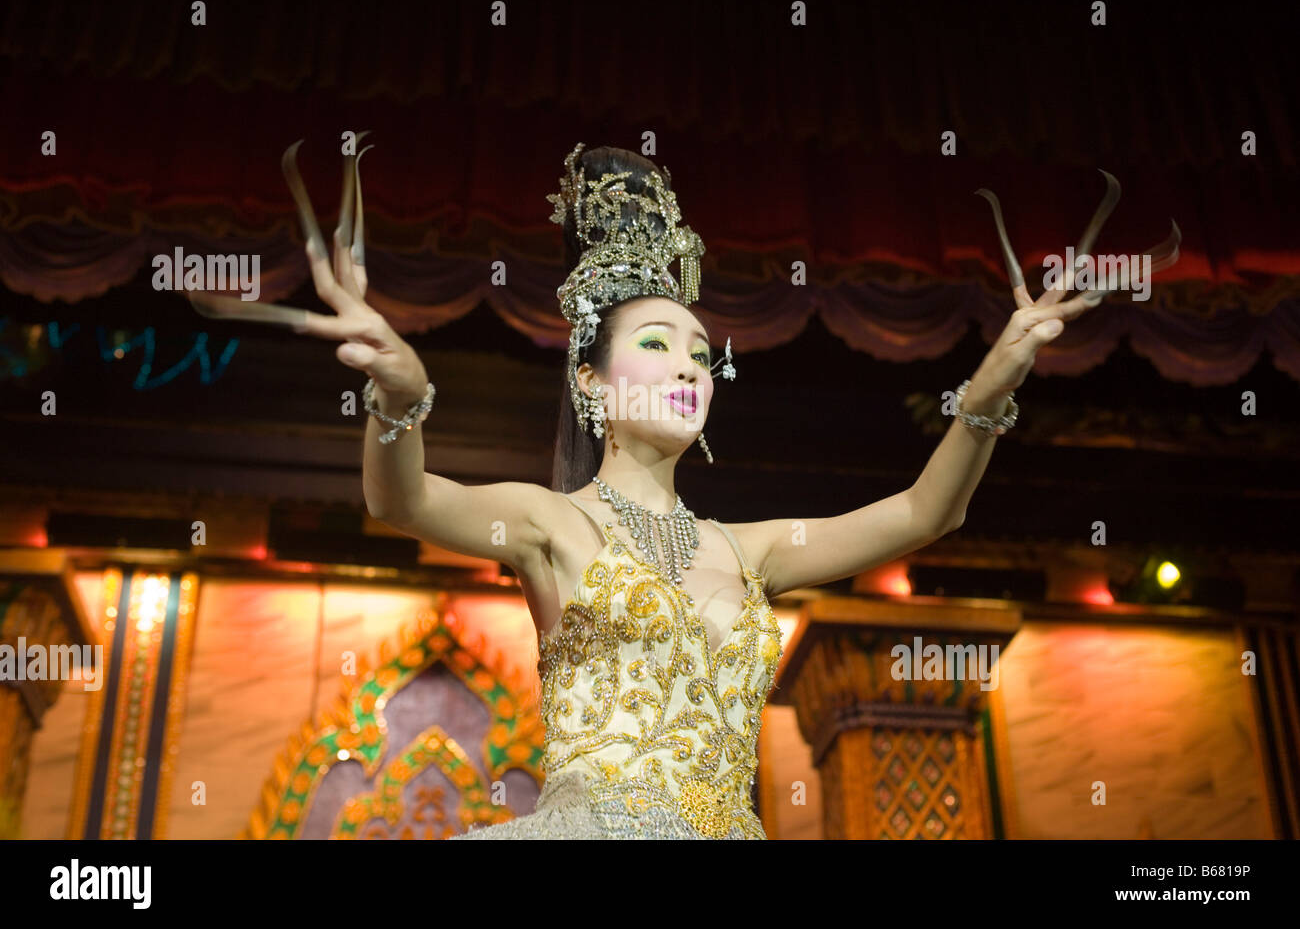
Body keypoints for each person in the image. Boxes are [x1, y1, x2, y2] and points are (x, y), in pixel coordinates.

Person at [190, 138, 1160, 838]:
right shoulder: (549, 523)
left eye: (701, 350)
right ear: (590, 380)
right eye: (655, 344)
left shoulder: (751, 548)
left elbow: (925, 510)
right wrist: (399, 396)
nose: (688, 363)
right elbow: (401, 501)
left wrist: (988, 391)